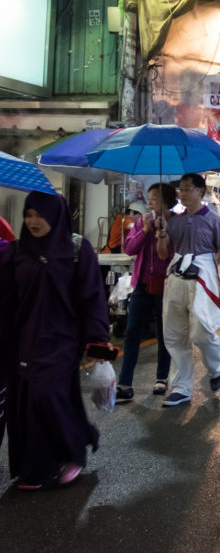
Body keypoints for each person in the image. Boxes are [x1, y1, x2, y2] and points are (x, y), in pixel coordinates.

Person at [0, 192, 111, 489]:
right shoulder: (16, 252)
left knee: (45, 394)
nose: (34, 221)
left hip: (63, 341)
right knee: (25, 403)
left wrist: (101, 347)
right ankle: (36, 469)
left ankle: (73, 451)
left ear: (57, 215)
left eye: (41, 214)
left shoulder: (77, 250)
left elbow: (93, 299)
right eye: (29, 214)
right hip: (23, 339)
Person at [156, 173, 220, 406]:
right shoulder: (174, 221)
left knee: (202, 328)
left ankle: (216, 367)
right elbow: (161, 252)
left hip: (204, 273)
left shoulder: (214, 220)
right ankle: (181, 387)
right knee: (175, 333)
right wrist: (161, 233)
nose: (183, 193)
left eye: (188, 189)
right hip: (177, 272)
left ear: (201, 191)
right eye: (181, 189)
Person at [116, 183, 176, 403]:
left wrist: (163, 232)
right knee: (132, 333)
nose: (149, 202)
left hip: (165, 286)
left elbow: (169, 255)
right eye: (149, 198)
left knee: (164, 334)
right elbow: (129, 248)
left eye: (154, 199)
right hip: (142, 285)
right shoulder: (142, 221)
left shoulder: (175, 222)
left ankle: (162, 378)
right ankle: (125, 383)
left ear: (166, 201)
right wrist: (145, 230)